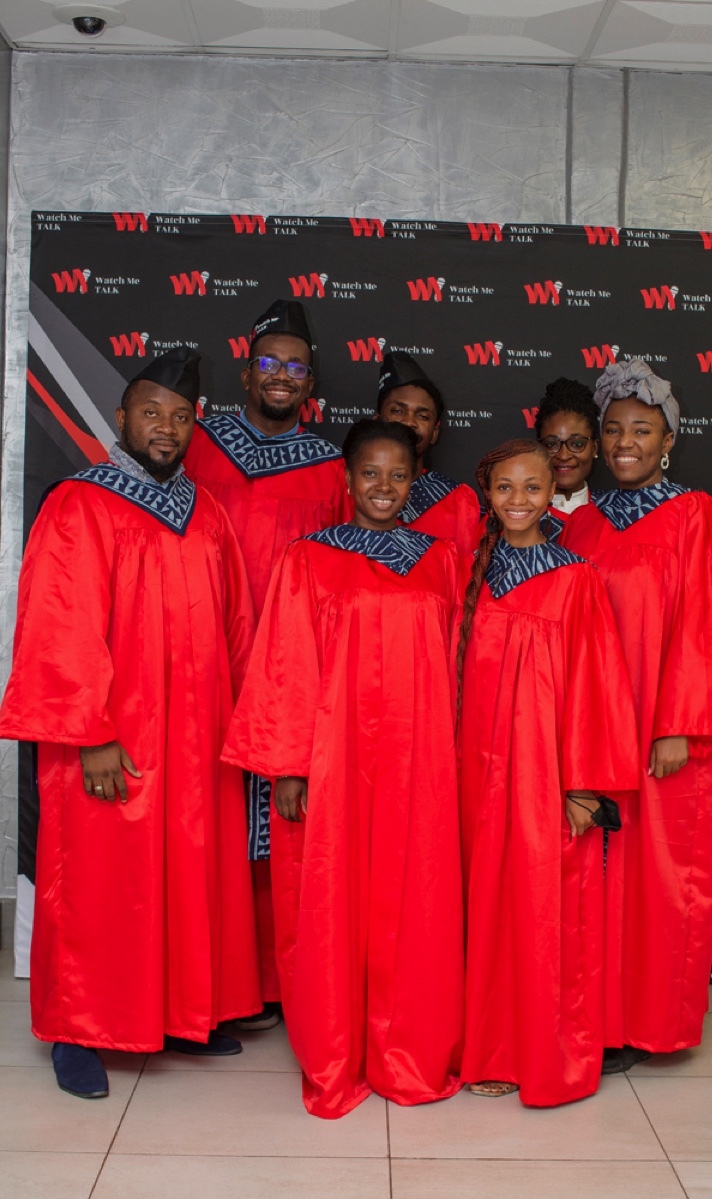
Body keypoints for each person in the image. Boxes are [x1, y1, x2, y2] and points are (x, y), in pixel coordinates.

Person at [0, 348, 261, 1098]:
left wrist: (237, 728)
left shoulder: (205, 512)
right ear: (120, 417)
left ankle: (177, 1013)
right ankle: (76, 1030)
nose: (166, 427)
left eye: (180, 416)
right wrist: (92, 736)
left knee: (181, 878)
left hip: (196, 737)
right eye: (151, 412)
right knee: (97, 883)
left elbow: (235, 625)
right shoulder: (81, 503)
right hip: (113, 738)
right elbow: (61, 627)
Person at [223, 420, 464, 1119]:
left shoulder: (443, 560)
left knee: (415, 899)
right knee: (333, 901)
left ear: (414, 482)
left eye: (398, 475)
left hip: (421, 762)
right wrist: (288, 768)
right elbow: (286, 664)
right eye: (370, 473)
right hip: (334, 760)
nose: (384, 486)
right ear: (348, 480)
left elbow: (458, 668)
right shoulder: (309, 558)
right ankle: (336, 1052)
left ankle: (407, 1050)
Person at [560, 359, 712, 1073]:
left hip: (666, 729)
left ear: (668, 440)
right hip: (598, 727)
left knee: (663, 877)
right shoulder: (581, 525)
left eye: (642, 430)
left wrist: (679, 723)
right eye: (613, 430)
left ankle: (653, 1025)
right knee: (601, 874)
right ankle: (601, 1020)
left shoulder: (699, 515)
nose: (625, 443)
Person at [183, 299, 350, 1032]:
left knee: (282, 825)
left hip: (290, 671)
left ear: (310, 382)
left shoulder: (332, 467)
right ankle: (209, 983)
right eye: (269, 362)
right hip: (203, 662)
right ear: (247, 371)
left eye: (296, 367)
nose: (282, 375)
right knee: (207, 824)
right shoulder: (197, 444)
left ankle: (277, 981)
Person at [457, 439, 638, 1106]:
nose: (519, 500)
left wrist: (583, 787)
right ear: (488, 492)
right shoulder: (465, 570)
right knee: (477, 904)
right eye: (505, 487)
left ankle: (535, 1049)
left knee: (538, 909)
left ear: (553, 491)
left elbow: (596, 685)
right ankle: (482, 1046)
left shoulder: (576, 576)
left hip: (544, 771)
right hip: (470, 771)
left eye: (533, 487)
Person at [376, 351, 480, 558]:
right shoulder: (351, 490)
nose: (409, 422)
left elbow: (466, 570)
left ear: (434, 434)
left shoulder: (457, 500)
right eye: (397, 411)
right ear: (377, 421)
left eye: (422, 416)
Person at [534, 376, 599, 529]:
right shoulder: (518, 515)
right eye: (551, 444)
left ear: (594, 448)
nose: (563, 456)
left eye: (577, 444)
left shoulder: (613, 514)